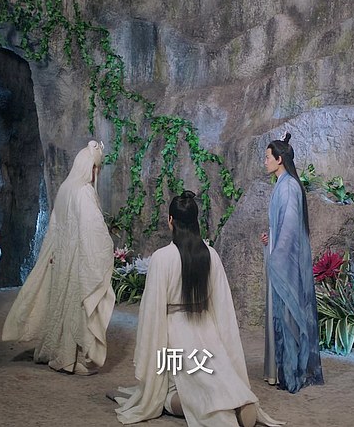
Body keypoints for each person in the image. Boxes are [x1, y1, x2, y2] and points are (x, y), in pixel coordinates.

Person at [113, 191, 282, 427]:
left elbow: (152, 311)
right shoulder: (210, 255)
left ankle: (213, 407)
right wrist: (227, 349)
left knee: (167, 394)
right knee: (215, 375)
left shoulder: (162, 258)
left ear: (170, 220)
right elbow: (222, 306)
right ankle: (236, 402)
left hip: (175, 335)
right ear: (195, 221)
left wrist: (149, 354)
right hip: (207, 333)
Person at [2, 140, 114, 375]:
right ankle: (72, 359)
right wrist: (104, 249)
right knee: (76, 309)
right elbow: (93, 230)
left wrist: (53, 253)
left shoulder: (65, 189)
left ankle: (56, 352)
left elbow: (53, 228)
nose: (98, 172)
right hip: (77, 260)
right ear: (91, 168)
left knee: (59, 306)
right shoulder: (84, 192)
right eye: (97, 167)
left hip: (61, 258)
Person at [260, 132, 324, 393]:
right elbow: (282, 227)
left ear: (279, 159)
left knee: (288, 315)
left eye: (268, 157)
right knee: (283, 315)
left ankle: (291, 371)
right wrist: (271, 236)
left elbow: (289, 231)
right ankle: (280, 371)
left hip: (286, 262)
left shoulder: (288, 187)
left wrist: (277, 253)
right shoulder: (283, 184)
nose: (265, 161)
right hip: (280, 256)